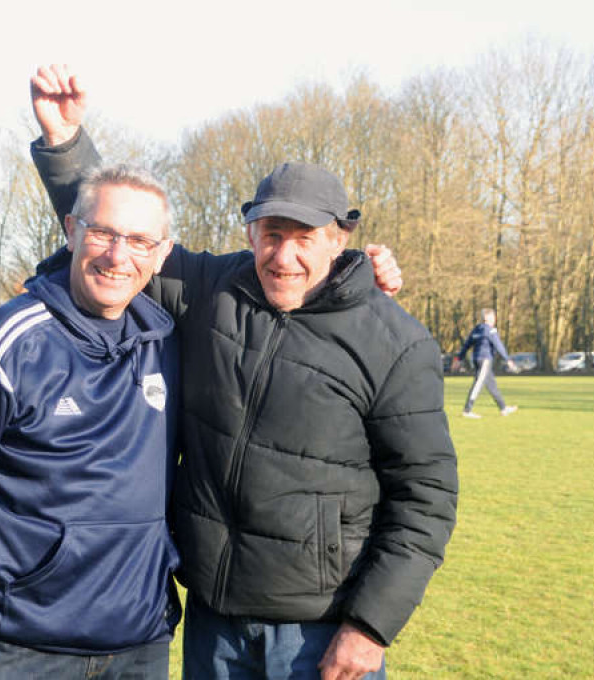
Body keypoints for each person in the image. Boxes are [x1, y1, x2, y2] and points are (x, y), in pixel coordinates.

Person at [29, 64, 457, 680]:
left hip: (322, 631)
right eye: (271, 233)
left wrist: (369, 627)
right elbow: (119, 236)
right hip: (212, 621)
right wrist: (66, 143)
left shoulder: (395, 342)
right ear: (251, 231)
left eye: (305, 237)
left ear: (340, 240)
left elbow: (427, 496)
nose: (284, 256)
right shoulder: (211, 288)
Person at [0, 165, 182, 679]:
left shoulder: (168, 343)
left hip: (141, 644)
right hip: (20, 647)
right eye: (103, 233)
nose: (119, 256)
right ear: (72, 230)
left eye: (141, 240)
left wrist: (363, 272)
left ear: (164, 253)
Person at [452, 308, 517, 418]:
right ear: (489, 318)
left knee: (492, 385)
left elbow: (466, 345)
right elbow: (498, 345)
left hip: (477, 359)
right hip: (485, 360)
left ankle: (503, 408)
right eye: (493, 317)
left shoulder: (477, 329)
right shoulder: (490, 330)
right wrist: (507, 359)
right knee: (478, 383)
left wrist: (459, 358)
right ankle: (467, 410)